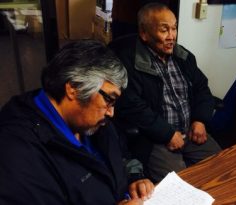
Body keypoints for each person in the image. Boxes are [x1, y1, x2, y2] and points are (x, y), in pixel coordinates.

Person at [0, 40, 154, 205]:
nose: (111, 112)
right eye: (109, 99)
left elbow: (121, 156)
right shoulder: (17, 153)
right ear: (74, 88)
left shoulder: (92, 119)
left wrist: (134, 179)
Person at [109, 3, 221, 182]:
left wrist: (200, 119)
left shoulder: (184, 57)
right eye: (164, 30)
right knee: (180, 185)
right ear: (144, 34)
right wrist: (166, 133)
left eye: (174, 28)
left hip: (190, 130)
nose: (172, 36)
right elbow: (132, 107)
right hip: (157, 138)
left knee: (223, 166)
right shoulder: (128, 63)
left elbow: (202, 88)